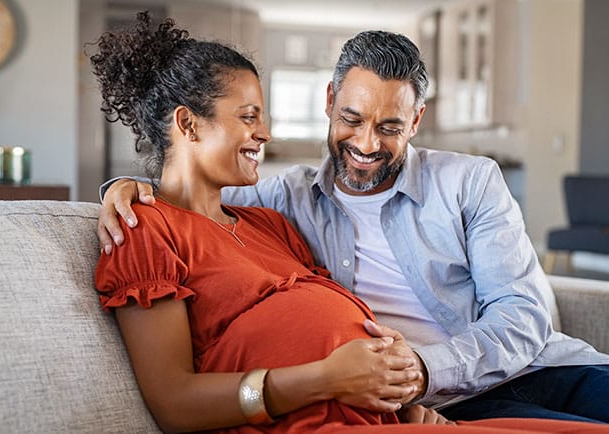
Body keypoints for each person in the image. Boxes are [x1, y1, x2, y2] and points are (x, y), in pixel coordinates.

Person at [93, 13, 609, 433]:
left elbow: (522, 314)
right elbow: (187, 193)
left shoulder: (469, 181)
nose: (365, 145)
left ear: (417, 121)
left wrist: (423, 372)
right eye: (352, 119)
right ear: (329, 103)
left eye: (389, 127)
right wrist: (123, 187)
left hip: (530, 369)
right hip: (433, 407)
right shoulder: (284, 198)